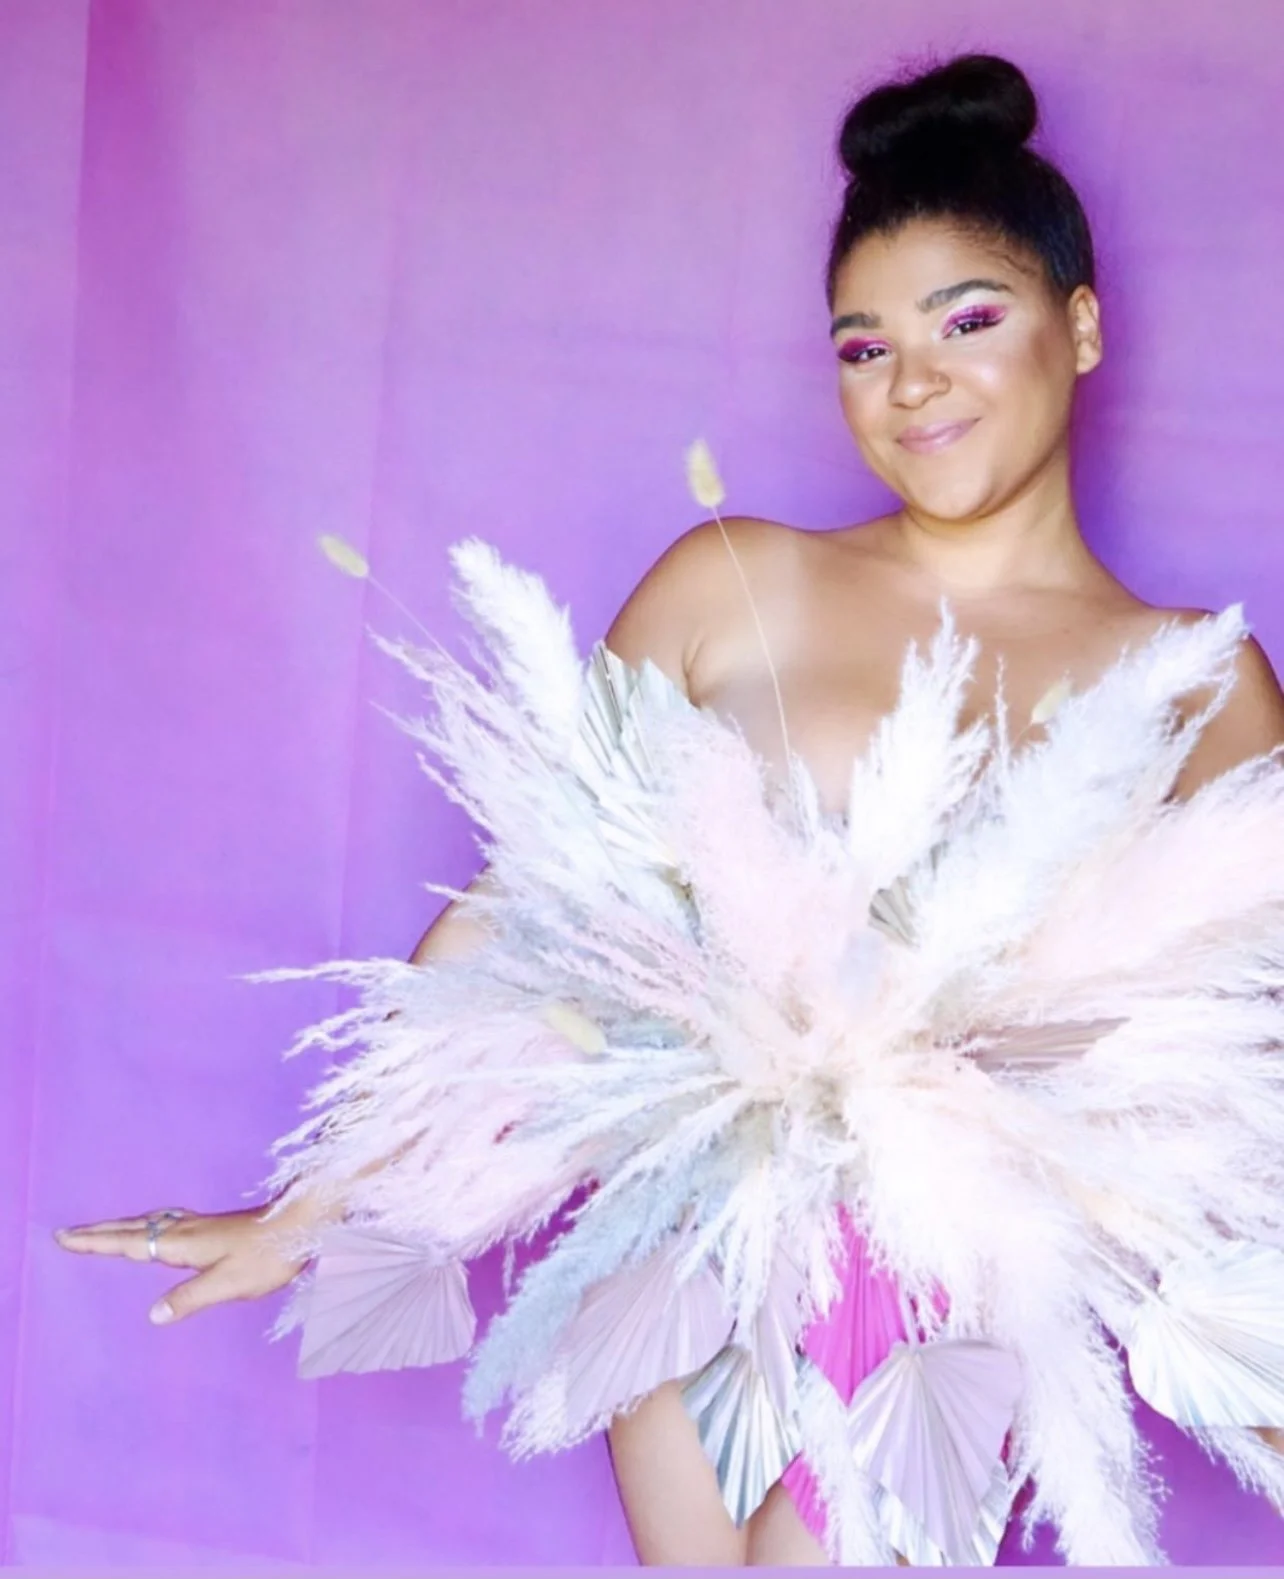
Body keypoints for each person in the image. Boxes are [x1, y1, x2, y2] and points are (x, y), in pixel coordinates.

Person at [54, 52, 1284, 1568]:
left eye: (969, 320)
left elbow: (1245, 1074)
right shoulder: (734, 584)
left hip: (957, 1286)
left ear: (1079, 326)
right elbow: (523, 908)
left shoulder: (1194, 681)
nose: (912, 383)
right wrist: (316, 1204)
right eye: (861, 346)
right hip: (691, 1244)